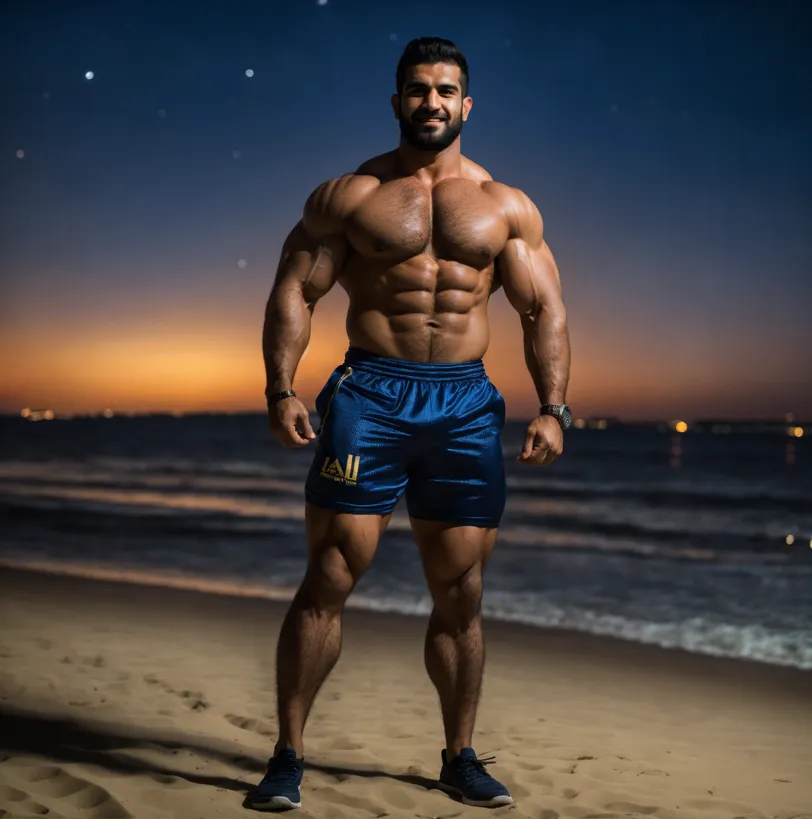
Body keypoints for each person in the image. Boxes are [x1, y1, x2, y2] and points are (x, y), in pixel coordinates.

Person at [254, 36, 571, 811]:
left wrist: (554, 406)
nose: (432, 101)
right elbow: (295, 289)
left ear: (467, 104)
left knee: (460, 588)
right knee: (330, 573)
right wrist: (280, 387)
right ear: (397, 101)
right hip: (372, 394)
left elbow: (543, 309)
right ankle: (288, 754)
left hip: (463, 402)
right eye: (417, 89)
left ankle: (458, 755)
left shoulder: (506, 206)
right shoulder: (349, 196)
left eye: (446, 89)